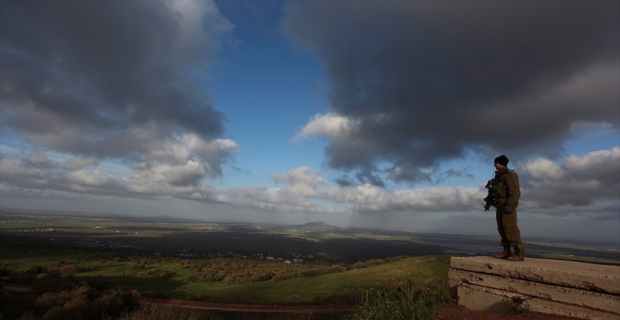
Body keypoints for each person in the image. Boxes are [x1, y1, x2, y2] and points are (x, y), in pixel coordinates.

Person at [489, 155, 524, 261]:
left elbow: (515, 191)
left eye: (495, 162)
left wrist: (510, 204)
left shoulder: (510, 175)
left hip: (507, 206)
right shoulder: (499, 176)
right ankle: (506, 250)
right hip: (500, 206)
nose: (494, 165)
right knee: (502, 229)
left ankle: (519, 253)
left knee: (510, 228)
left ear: (500, 163)